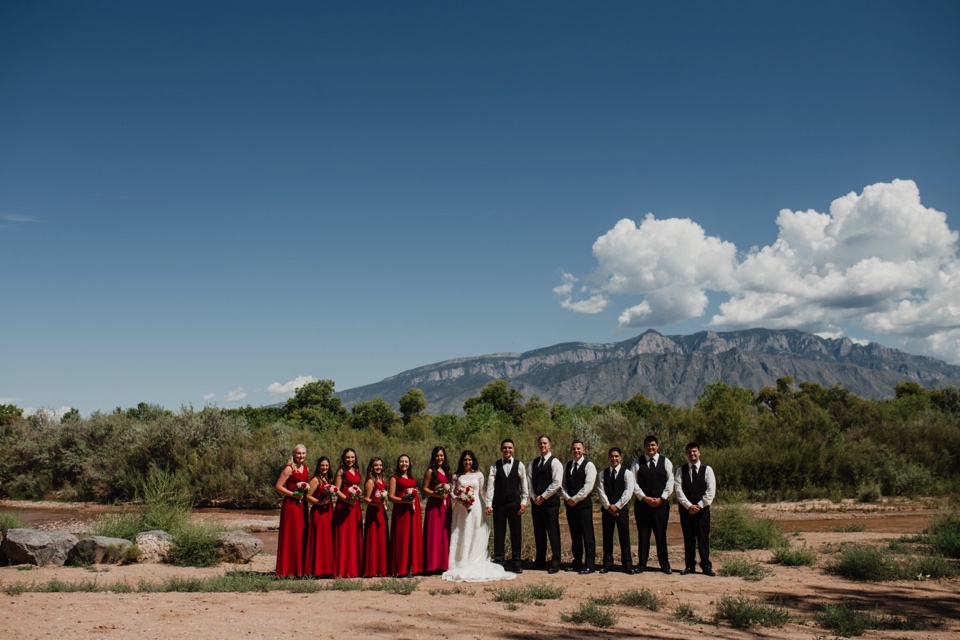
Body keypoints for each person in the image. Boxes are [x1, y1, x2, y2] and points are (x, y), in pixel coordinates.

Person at [442, 450, 517, 583]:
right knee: (462, 531)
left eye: (469, 460)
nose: (467, 462)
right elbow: (452, 493)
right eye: (465, 460)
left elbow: (482, 491)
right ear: (462, 461)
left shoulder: (479, 474)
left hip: (476, 508)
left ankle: (473, 557)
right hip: (461, 509)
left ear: (473, 461)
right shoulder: (456, 476)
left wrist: (488, 505)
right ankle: (460, 559)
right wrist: (460, 500)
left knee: (475, 531)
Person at [631, 435, 674, 574]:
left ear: (658, 446)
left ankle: (664, 564)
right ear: (644, 447)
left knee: (661, 534)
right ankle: (642, 564)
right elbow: (633, 483)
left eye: (653, 445)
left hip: (661, 506)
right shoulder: (637, 462)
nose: (651, 447)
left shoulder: (666, 462)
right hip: (643, 505)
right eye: (648, 445)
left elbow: (670, 482)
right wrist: (645, 498)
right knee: (643, 535)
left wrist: (662, 498)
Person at [484, 438, 528, 573]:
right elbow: (490, 486)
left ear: (513, 449)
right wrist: (488, 504)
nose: (507, 450)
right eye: (505, 448)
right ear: (501, 450)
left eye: (509, 447)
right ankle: (499, 561)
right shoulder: (494, 466)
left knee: (516, 533)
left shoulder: (520, 465)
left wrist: (524, 502)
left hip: (515, 503)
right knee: (499, 533)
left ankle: (516, 562)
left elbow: (524, 484)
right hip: (499, 504)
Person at [674, 442, 716, 576]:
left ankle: (706, 566)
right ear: (686, 454)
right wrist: (689, 506)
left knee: (703, 538)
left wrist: (699, 506)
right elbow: (678, 490)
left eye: (694, 451)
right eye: (689, 452)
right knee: (689, 538)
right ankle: (689, 566)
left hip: (702, 511)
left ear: (699, 453)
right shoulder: (681, 470)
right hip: (686, 511)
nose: (692, 454)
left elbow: (710, 491)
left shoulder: (707, 470)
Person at [597, 447, 636, 574]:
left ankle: (627, 565)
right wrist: (608, 506)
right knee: (607, 538)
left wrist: (617, 506)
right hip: (607, 510)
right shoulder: (602, 474)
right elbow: (600, 491)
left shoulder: (627, 473)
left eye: (616, 456)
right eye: (612, 456)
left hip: (622, 511)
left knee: (624, 538)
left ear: (620, 457)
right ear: (608, 458)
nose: (614, 458)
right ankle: (607, 564)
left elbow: (628, 491)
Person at [528, 434, 563, 573]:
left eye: (545, 443)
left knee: (553, 532)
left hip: (550, 503)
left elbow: (557, 483)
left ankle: (555, 562)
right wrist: (534, 496)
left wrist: (543, 496)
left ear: (550, 445)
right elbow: (529, 481)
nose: (542, 446)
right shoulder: (533, 462)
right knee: (539, 532)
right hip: (536, 503)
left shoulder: (555, 462)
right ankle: (540, 561)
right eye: (540, 443)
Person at [561, 439, 597, 574]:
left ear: (583, 450)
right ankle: (577, 563)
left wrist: (575, 499)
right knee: (575, 536)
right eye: (574, 449)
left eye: (578, 449)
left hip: (583, 506)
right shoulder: (567, 466)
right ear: (571, 451)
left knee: (587, 535)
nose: (576, 451)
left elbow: (588, 486)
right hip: (570, 506)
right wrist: (567, 498)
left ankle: (590, 565)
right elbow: (562, 484)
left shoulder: (589, 466)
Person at [274, 444, 309, 577]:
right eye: (298, 453)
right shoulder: (289, 469)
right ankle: (287, 570)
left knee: (301, 534)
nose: (301, 456)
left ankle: (299, 569)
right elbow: (278, 486)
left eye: (303, 453)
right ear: (294, 454)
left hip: (302, 506)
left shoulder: (306, 468)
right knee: (291, 535)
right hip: (291, 505)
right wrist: (293, 494)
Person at [389, 454, 424, 577]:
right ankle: (401, 568)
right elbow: (390, 497)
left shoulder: (411, 476)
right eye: (402, 462)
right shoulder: (394, 478)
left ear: (409, 463)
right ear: (398, 464)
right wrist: (404, 501)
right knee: (402, 537)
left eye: (406, 462)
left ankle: (413, 567)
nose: (404, 464)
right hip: (401, 511)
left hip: (413, 511)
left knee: (413, 537)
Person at [332, 448, 363, 578]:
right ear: (343, 459)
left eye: (352, 457)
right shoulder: (341, 471)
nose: (350, 460)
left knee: (354, 536)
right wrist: (346, 500)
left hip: (355, 507)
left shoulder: (355, 470)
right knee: (344, 537)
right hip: (343, 506)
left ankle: (354, 569)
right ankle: (343, 569)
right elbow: (336, 489)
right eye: (348, 458)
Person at [421, 445, 452, 574]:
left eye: (442, 455)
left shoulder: (446, 471)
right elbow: (424, 488)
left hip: (446, 505)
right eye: (437, 455)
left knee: (444, 534)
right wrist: (436, 494)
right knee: (434, 533)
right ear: (434, 457)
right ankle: (431, 565)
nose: (440, 458)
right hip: (434, 505)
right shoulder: (430, 471)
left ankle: (443, 564)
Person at [305, 455, 335, 578]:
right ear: (318, 466)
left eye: (326, 465)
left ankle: (326, 569)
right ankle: (316, 570)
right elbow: (307, 496)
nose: (324, 467)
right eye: (322, 465)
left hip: (328, 512)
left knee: (327, 539)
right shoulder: (315, 480)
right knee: (318, 539)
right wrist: (319, 502)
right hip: (319, 512)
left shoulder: (327, 480)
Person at [362, 457, 389, 578]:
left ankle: (381, 568)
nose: (379, 467)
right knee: (373, 538)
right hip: (373, 511)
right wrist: (376, 503)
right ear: (371, 467)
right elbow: (366, 499)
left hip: (381, 511)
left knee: (382, 538)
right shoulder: (370, 481)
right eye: (376, 465)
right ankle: (372, 568)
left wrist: (384, 502)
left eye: (380, 465)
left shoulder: (382, 479)